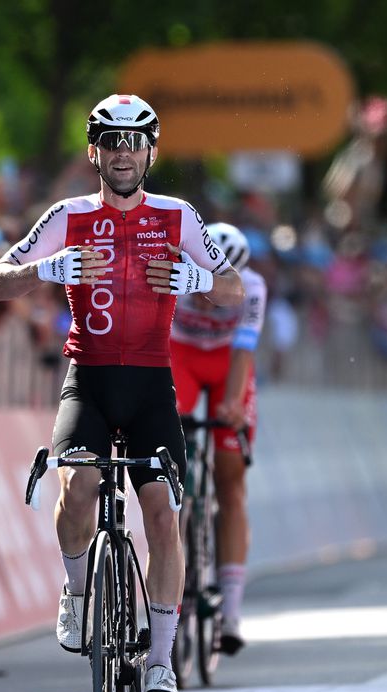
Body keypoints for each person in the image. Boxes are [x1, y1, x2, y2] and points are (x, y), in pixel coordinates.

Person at [0, 94, 244, 692]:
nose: (123, 153)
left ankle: (159, 661)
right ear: (94, 151)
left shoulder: (177, 216)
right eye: (112, 141)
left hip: (151, 384)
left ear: (151, 151)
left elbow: (233, 288)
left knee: (161, 513)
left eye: (135, 142)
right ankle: (76, 593)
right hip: (89, 379)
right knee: (78, 489)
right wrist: (46, 270)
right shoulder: (66, 215)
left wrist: (200, 281)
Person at [169, 222, 266, 655]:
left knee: (231, 482)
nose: (211, 305)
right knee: (165, 452)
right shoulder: (176, 271)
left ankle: (231, 610)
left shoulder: (254, 287)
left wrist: (231, 407)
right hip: (182, 355)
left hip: (228, 361)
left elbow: (244, 348)